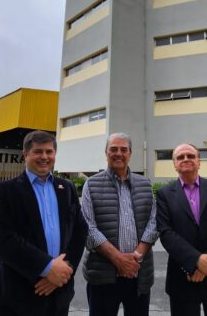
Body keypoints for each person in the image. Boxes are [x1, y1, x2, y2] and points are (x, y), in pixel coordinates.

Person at [0, 130, 88, 316]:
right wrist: (47, 268)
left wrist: (64, 270)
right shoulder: (4, 191)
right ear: (25, 154)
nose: (44, 157)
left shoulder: (67, 189)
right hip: (18, 293)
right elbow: (2, 239)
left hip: (59, 291)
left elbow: (80, 231)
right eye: (38, 152)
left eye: (49, 152)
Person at [81, 132, 158, 316]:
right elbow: (88, 227)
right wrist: (118, 259)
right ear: (106, 152)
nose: (118, 153)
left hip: (138, 273)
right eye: (113, 149)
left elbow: (154, 222)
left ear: (130, 153)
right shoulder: (91, 185)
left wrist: (135, 257)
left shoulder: (145, 184)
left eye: (123, 149)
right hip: (103, 276)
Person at [156, 143, 207, 316]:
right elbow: (166, 233)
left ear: (199, 162)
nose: (186, 159)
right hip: (182, 277)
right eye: (180, 157)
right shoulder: (164, 194)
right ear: (174, 164)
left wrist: (205, 266)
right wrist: (195, 261)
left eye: (191, 156)